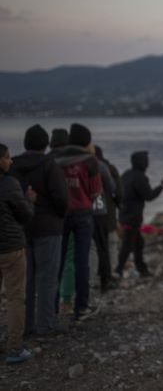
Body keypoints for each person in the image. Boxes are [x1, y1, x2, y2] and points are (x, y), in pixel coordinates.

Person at [9, 125, 69, 336]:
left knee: (27, 280)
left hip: (21, 229)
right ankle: (45, 325)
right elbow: (61, 198)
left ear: (26, 143)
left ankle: (25, 325)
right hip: (48, 226)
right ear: (45, 144)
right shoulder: (49, 165)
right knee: (47, 278)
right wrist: (57, 213)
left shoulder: (12, 166)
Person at [53, 122, 102, 321]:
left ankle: (52, 306)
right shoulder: (90, 161)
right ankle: (81, 307)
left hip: (60, 213)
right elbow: (96, 191)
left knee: (58, 259)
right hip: (83, 213)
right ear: (86, 141)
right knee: (82, 261)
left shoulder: (55, 159)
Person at [1, 143, 37, 364]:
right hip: (11, 248)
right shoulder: (9, 184)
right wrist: (30, 201)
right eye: (6, 157)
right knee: (15, 298)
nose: (11, 161)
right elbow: (25, 215)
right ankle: (15, 348)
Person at [116, 151, 163, 278]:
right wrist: (161, 186)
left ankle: (141, 270)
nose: (148, 163)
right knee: (128, 245)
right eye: (146, 160)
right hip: (132, 218)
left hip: (124, 215)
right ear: (142, 162)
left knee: (138, 243)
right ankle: (118, 270)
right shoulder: (139, 177)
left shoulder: (126, 174)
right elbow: (149, 196)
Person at [94, 146, 122, 291]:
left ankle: (94, 277)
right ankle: (111, 273)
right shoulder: (109, 168)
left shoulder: (84, 166)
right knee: (110, 244)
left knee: (95, 247)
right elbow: (117, 190)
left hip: (91, 213)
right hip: (108, 212)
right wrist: (120, 205)